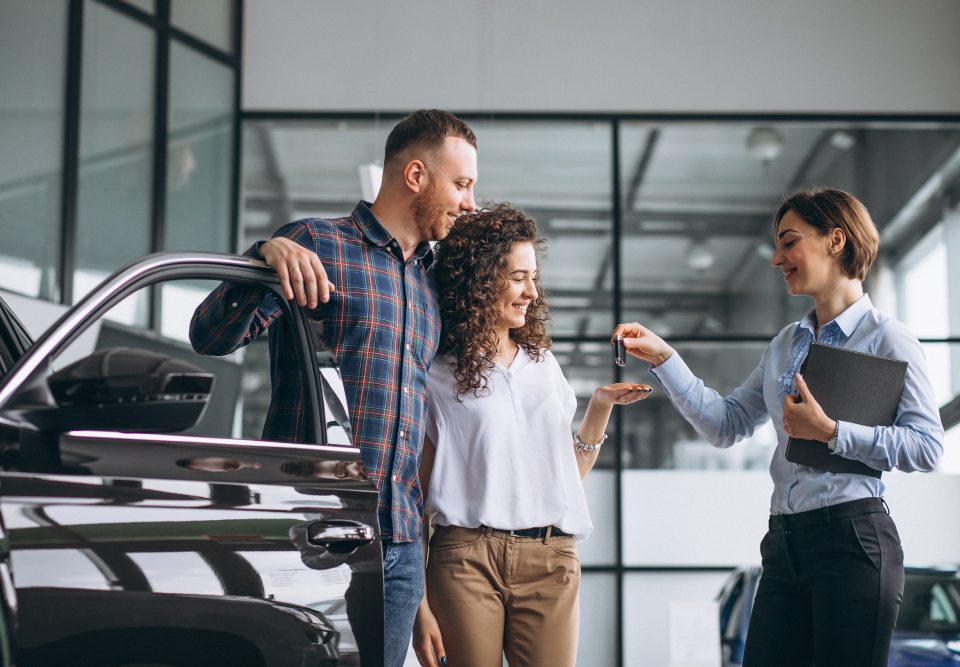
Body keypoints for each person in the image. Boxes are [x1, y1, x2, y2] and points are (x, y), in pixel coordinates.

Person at [189, 109, 478, 667]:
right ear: (416, 175)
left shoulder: (431, 283)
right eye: (461, 184)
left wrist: (418, 578)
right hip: (315, 535)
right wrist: (262, 257)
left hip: (397, 546)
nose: (468, 201)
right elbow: (210, 337)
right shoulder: (315, 243)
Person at [613, 188, 944, 667]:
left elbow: (928, 446)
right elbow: (727, 424)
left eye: (789, 242)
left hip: (852, 541)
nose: (776, 258)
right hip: (784, 544)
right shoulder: (787, 344)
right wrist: (666, 358)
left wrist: (832, 431)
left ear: (835, 240)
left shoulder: (887, 338)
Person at [413, 204, 651, 667]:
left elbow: (565, 477)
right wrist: (419, 606)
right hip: (466, 559)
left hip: (551, 557)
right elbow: (416, 497)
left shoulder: (544, 366)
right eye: (519, 277)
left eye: (534, 277)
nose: (532, 291)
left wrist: (598, 407)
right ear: (480, 280)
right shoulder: (436, 374)